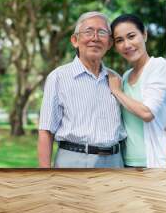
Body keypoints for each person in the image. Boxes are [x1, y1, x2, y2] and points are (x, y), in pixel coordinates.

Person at [37, 11, 127, 168]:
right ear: (75, 40)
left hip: (115, 161)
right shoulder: (58, 77)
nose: (95, 38)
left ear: (110, 43)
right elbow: (46, 130)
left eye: (102, 32)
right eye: (88, 31)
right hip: (73, 161)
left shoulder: (116, 79)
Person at [108, 14, 166, 168]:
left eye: (131, 36)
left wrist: (117, 92)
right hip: (126, 161)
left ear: (145, 34)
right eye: (119, 40)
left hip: (151, 161)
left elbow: (147, 113)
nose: (127, 45)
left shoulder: (159, 66)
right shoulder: (126, 76)